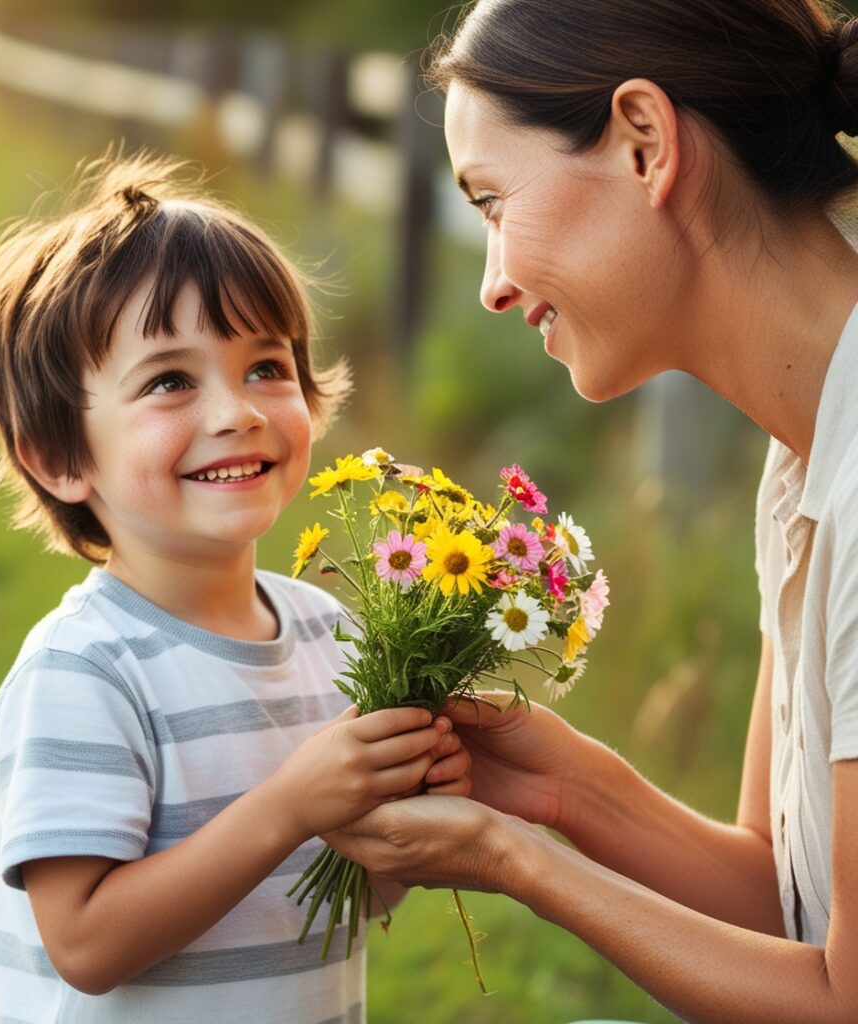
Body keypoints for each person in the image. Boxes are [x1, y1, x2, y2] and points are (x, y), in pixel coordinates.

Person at [329, 1, 858, 1021]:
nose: (490, 284)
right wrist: (564, 789)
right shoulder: (803, 460)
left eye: (492, 199)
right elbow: (780, 902)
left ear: (643, 144)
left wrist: (513, 859)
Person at [0, 151, 470, 1023]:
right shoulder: (84, 670)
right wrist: (290, 806)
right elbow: (85, 945)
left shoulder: (330, 633)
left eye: (266, 367)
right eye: (169, 381)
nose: (237, 412)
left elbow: (349, 900)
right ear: (59, 456)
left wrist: (402, 824)